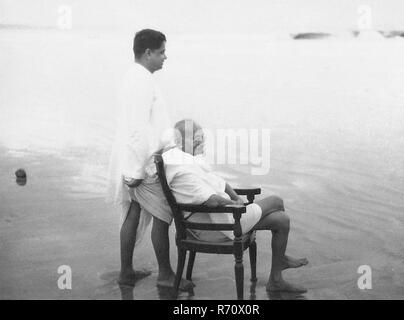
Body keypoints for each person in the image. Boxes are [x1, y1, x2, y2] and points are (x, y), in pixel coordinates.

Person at [160, 119, 309, 293]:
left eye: (202, 138)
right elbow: (212, 200)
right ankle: (280, 262)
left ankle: (276, 280)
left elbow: (218, 182)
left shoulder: (187, 161)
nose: (202, 143)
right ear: (182, 142)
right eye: (196, 139)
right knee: (276, 201)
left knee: (281, 220)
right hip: (215, 228)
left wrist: (236, 198)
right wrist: (235, 205)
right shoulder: (183, 169)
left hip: (219, 219)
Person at [107, 29, 175, 286]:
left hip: (140, 158)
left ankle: (127, 271)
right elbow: (136, 128)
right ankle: (166, 275)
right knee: (162, 214)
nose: (164, 57)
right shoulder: (140, 80)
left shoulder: (136, 77)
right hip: (142, 163)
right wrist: (136, 172)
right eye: (161, 52)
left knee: (133, 213)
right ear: (147, 53)